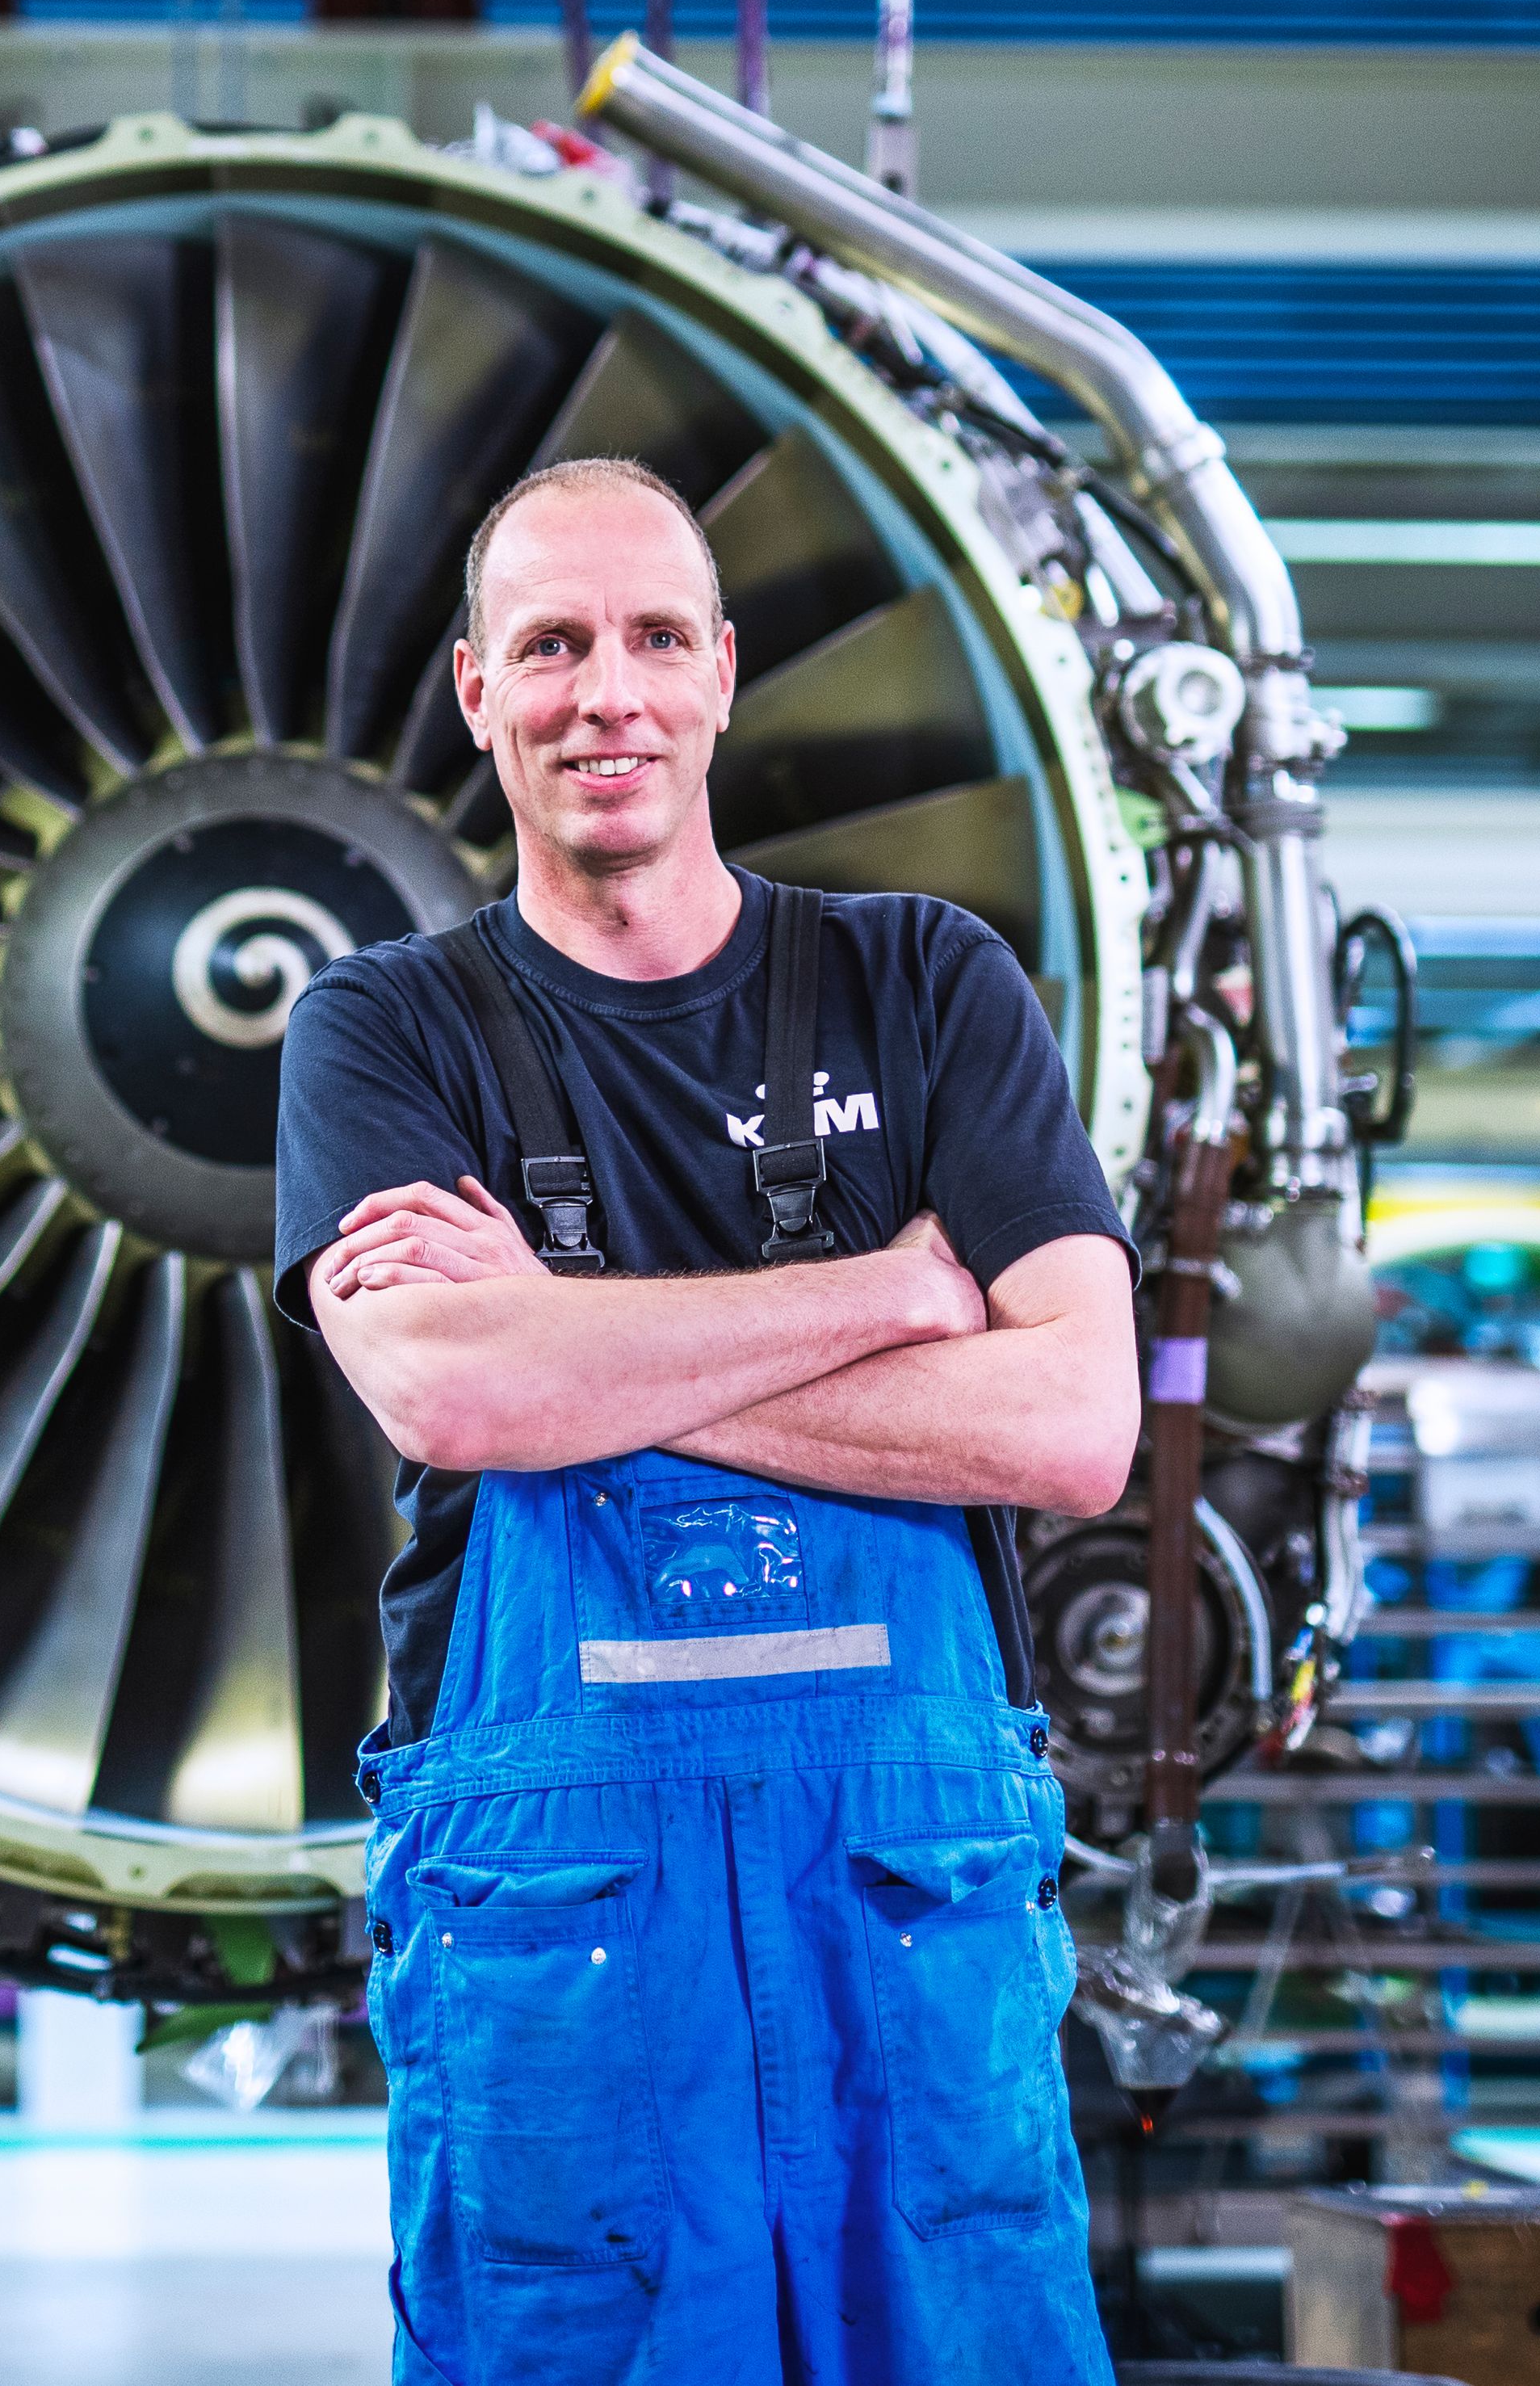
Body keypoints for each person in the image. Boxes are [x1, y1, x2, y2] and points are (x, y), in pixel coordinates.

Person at [274, 453, 1140, 2386]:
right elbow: (456, 1384)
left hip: (901, 1909)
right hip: (569, 1937)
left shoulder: (924, 984)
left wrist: (583, 1345)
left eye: (658, 636)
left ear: (728, 671)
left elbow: (1077, 1420)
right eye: (554, 645)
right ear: (479, 690)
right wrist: (906, 1291)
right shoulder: (381, 1029)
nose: (613, 694)